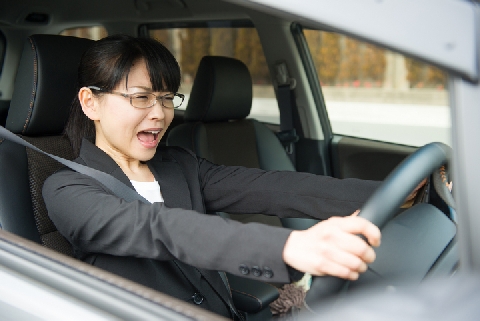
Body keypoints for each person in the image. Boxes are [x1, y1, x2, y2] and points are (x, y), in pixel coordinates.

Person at [42, 34, 414, 319]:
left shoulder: (180, 165)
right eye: (141, 97)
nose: (159, 114)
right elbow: (158, 227)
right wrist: (289, 247)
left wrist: (392, 193)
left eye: (167, 98)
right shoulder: (66, 188)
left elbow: (271, 188)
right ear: (91, 102)